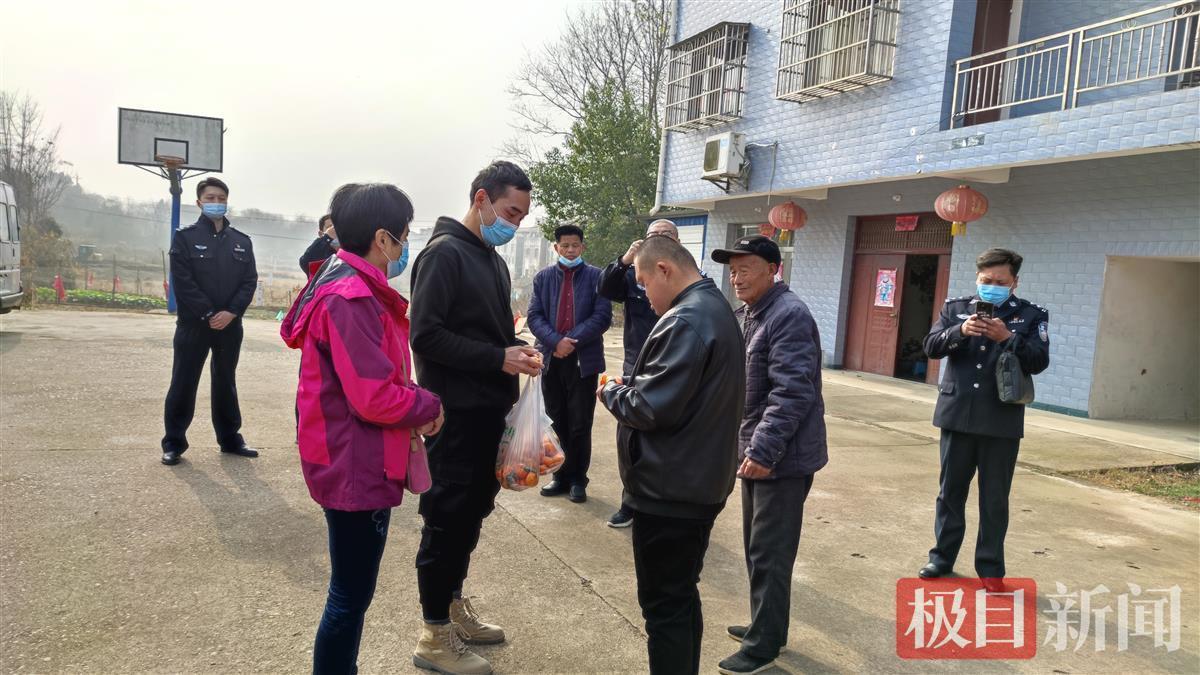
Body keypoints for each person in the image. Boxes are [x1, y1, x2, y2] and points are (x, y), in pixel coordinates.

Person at [280, 183, 443, 675]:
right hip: (353, 460)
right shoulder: (350, 298)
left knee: (350, 593)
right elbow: (373, 395)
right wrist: (427, 403)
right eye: (404, 236)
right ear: (382, 239)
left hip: (349, 451)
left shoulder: (345, 282)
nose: (405, 246)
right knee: (349, 596)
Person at [409, 161, 542, 674]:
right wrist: (496, 358)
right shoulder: (443, 255)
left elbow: (490, 333)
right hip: (455, 415)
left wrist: (518, 349)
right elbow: (426, 336)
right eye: (511, 211)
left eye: (522, 216)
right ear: (481, 198)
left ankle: (452, 606)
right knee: (445, 520)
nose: (515, 223)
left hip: (490, 413)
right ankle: (433, 635)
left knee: (470, 517)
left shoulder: (491, 259)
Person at [599, 236, 745, 675]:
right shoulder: (712, 307)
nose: (644, 295)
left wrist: (611, 392)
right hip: (695, 479)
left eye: (644, 283)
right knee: (680, 597)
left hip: (671, 488)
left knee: (664, 606)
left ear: (664, 269)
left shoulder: (687, 319)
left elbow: (649, 407)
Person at [709, 236, 828, 675]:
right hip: (758, 448)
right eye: (733, 271)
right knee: (757, 548)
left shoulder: (788, 315)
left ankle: (764, 646)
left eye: (746, 269)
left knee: (770, 552)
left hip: (781, 457)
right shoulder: (752, 313)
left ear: (773, 269)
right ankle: (766, 623)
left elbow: (792, 392)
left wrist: (763, 450)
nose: (736, 278)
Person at [919, 248, 1050, 592]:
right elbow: (931, 346)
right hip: (957, 414)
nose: (992, 287)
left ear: (1014, 282)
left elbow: (1039, 360)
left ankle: (990, 568)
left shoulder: (1030, 315)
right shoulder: (955, 308)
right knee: (950, 492)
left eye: (1000, 282)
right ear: (977, 278)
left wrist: (1008, 338)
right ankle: (941, 557)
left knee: (994, 498)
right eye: (986, 280)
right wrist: (961, 331)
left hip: (1000, 419)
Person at [161, 177, 259, 466]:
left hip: (230, 326)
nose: (216, 203)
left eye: (221, 199)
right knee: (183, 382)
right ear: (199, 202)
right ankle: (174, 443)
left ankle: (230, 439)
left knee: (226, 381)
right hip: (194, 325)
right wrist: (207, 313)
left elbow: (249, 281)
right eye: (210, 198)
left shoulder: (241, 241)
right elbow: (183, 282)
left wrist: (231, 313)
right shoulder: (185, 238)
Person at [596, 218, 679, 528]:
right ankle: (630, 503)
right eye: (653, 235)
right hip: (636, 365)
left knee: (668, 439)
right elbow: (604, 288)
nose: (660, 238)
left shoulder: (687, 275)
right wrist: (625, 260)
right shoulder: (634, 275)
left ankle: (664, 504)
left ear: (677, 241)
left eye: (666, 234)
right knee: (630, 439)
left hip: (674, 364)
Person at [526, 224, 612, 504]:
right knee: (555, 419)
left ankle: (577, 479)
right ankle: (559, 476)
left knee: (580, 422)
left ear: (583, 247)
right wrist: (555, 342)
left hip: (583, 361)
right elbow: (534, 315)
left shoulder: (597, 277)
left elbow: (602, 317)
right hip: (552, 359)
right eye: (565, 246)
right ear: (556, 248)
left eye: (575, 245)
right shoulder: (543, 278)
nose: (570, 250)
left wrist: (571, 341)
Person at [299, 213, 339, 278]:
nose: (334, 230)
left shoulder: (348, 249)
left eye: (337, 226)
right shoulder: (318, 252)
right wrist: (327, 238)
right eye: (330, 227)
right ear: (321, 234)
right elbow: (305, 262)